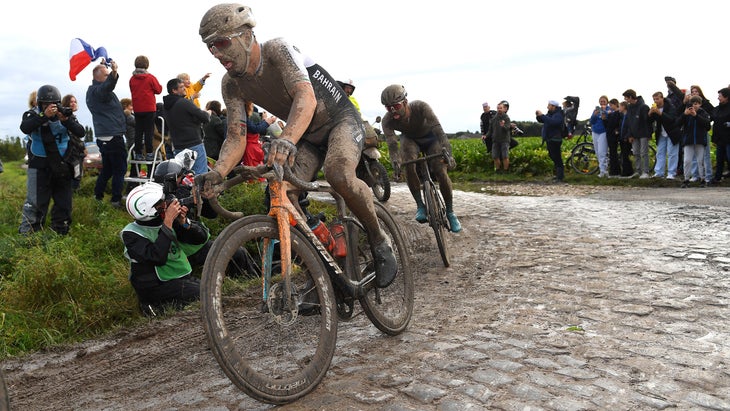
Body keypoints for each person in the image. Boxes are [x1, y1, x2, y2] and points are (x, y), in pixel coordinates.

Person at [197, 3, 397, 288]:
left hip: (338, 120)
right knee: (281, 193)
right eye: (210, 47)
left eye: (221, 43)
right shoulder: (231, 84)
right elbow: (236, 136)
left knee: (338, 173)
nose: (217, 54)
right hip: (306, 136)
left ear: (245, 35)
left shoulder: (277, 50)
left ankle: (379, 239)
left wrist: (287, 139)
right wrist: (218, 173)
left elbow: (306, 97)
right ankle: (324, 265)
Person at [380, 84, 462, 232]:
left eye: (396, 106)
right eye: (388, 108)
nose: (393, 111)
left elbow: (439, 130)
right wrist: (396, 162)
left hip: (431, 138)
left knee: (440, 170)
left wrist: (448, 153)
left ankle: (450, 212)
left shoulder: (421, 107)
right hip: (410, 140)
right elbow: (392, 144)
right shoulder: (387, 121)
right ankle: (420, 205)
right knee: (408, 165)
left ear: (405, 102)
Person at [19, 84, 85, 235]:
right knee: (35, 202)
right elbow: (24, 128)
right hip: (39, 165)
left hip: (62, 166)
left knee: (64, 202)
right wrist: (44, 116)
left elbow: (80, 132)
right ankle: (29, 234)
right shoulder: (33, 114)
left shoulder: (65, 115)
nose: (50, 107)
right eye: (46, 104)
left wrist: (66, 120)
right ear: (39, 103)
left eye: (54, 104)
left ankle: (60, 231)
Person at [86, 60, 128, 208]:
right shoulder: (98, 91)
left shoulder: (93, 92)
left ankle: (98, 195)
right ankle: (116, 200)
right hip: (112, 137)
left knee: (108, 169)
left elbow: (106, 86)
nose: (109, 75)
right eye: (106, 74)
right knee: (120, 169)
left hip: (104, 136)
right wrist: (115, 73)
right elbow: (107, 86)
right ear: (98, 77)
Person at [162, 77, 210, 176]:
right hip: (194, 144)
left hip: (178, 146)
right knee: (200, 176)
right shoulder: (184, 103)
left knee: (184, 177)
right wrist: (208, 113)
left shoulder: (165, 107)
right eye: (181, 87)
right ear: (174, 90)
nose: (184, 88)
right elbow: (205, 117)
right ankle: (198, 192)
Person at [129, 55, 163, 161]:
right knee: (149, 131)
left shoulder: (132, 79)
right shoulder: (150, 78)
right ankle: (149, 153)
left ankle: (138, 153)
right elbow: (158, 90)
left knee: (138, 131)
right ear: (147, 65)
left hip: (137, 109)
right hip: (149, 108)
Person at [677, 95, 711, 188]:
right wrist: (684, 115)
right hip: (688, 140)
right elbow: (677, 123)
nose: (694, 106)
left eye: (696, 104)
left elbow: (707, 125)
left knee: (701, 161)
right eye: (692, 104)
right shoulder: (687, 113)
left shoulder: (703, 113)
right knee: (687, 160)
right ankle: (686, 179)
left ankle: (703, 179)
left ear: (700, 104)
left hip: (700, 141)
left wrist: (696, 116)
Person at [647, 91, 680, 180]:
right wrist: (650, 114)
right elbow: (649, 121)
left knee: (672, 153)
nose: (656, 101)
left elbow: (671, 119)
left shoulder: (670, 106)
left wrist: (660, 113)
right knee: (660, 153)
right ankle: (659, 172)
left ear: (662, 98)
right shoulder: (655, 108)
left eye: (657, 99)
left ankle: (671, 173)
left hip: (672, 133)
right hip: (661, 133)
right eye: (654, 99)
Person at [622, 89, 651, 178]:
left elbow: (648, 122)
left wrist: (649, 134)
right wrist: (629, 135)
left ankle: (646, 172)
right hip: (634, 134)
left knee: (644, 153)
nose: (626, 100)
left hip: (643, 133)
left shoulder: (643, 107)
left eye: (626, 98)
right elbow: (629, 122)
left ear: (631, 97)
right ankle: (638, 171)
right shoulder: (630, 107)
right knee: (636, 153)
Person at [536, 100, 565, 182]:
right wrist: (539, 116)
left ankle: (560, 177)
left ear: (553, 106)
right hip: (550, 138)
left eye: (549, 105)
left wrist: (543, 116)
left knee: (557, 157)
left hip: (555, 139)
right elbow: (544, 120)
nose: (547, 107)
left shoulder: (558, 114)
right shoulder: (550, 113)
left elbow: (553, 122)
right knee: (553, 156)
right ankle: (558, 175)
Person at [710, 88, 730, 183]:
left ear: (726, 97)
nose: (718, 98)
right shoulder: (716, 109)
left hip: (728, 138)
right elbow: (711, 119)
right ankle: (717, 178)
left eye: (720, 96)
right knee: (719, 158)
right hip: (719, 138)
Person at [485, 101, 511, 173]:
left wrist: (503, 126)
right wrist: (485, 136)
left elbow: (508, 128)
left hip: (504, 140)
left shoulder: (506, 118)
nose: (499, 109)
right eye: (498, 108)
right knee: (495, 156)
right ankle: (498, 170)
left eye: (501, 108)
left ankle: (506, 171)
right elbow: (490, 130)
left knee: (505, 156)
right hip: (495, 140)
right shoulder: (493, 119)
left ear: (503, 109)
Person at [589, 96, 610, 178]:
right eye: (601, 101)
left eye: (604, 101)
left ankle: (603, 171)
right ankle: (602, 169)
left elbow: (608, 119)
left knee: (602, 152)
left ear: (607, 102)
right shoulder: (596, 110)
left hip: (603, 132)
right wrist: (594, 115)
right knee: (597, 152)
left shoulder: (609, 109)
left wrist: (605, 113)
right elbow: (592, 121)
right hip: (595, 131)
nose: (602, 103)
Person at [603, 98, 622, 177]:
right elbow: (608, 125)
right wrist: (604, 119)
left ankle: (615, 171)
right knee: (612, 153)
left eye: (611, 105)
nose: (610, 107)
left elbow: (613, 124)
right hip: (610, 134)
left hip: (613, 135)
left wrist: (609, 116)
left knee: (613, 153)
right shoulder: (613, 113)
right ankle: (614, 170)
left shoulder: (617, 113)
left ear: (615, 104)